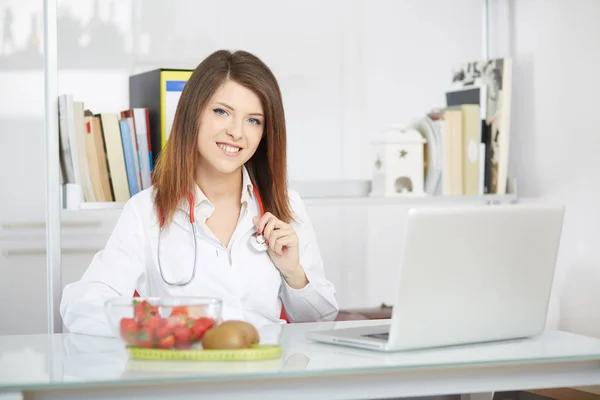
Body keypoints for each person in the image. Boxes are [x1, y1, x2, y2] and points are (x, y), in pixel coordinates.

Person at [60, 49, 339, 336]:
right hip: (185, 376)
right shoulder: (145, 211)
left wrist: (293, 273)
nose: (236, 132)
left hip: (267, 374)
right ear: (194, 114)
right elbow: (80, 305)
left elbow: (321, 320)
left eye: (253, 120)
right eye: (222, 112)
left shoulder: (286, 205)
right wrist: (164, 321)